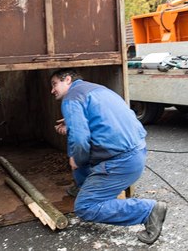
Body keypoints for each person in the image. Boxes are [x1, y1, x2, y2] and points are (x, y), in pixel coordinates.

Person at [51, 68, 167, 244]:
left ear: (67, 79)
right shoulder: (99, 89)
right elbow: (103, 121)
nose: (52, 90)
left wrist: (76, 159)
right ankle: (86, 187)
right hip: (137, 153)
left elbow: (81, 140)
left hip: (121, 162)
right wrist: (71, 124)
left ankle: (148, 210)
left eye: (54, 84)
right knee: (77, 145)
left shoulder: (71, 98)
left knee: (85, 207)